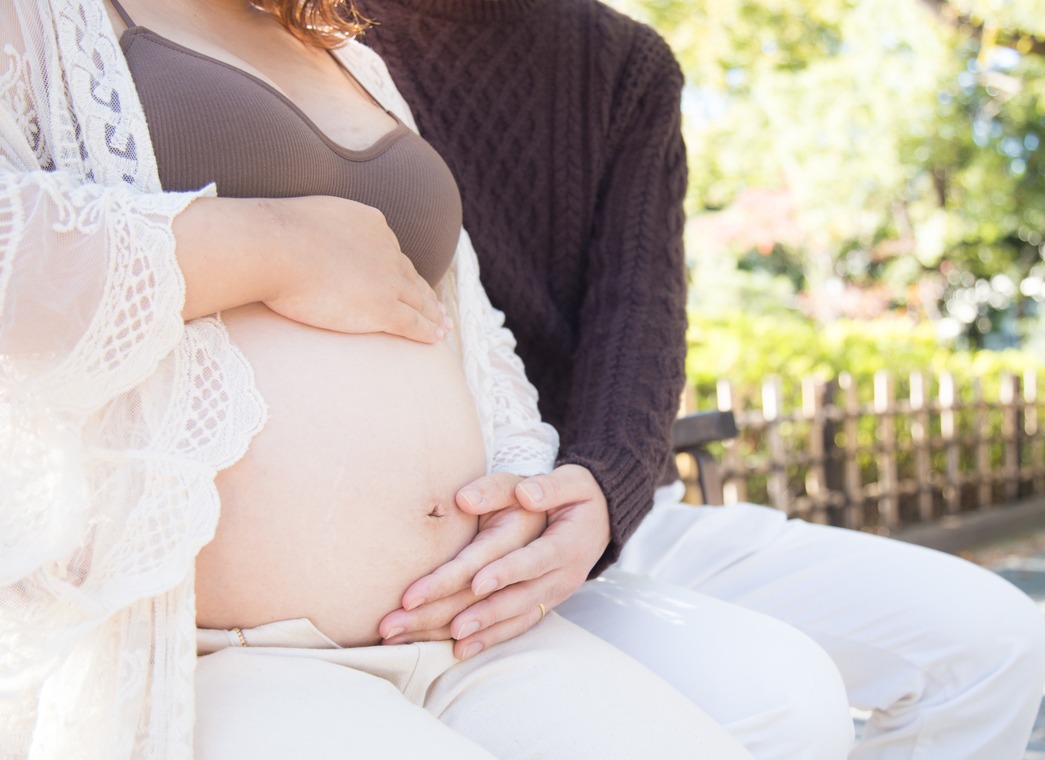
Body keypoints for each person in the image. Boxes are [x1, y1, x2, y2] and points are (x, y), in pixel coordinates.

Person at [0, 0, 754, 757]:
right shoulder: (41, 16)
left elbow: (465, 325)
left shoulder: (348, 54)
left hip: (467, 631)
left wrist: (520, 488)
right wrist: (273, 245)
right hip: (237, 652)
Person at [359, 0, 1045, 757]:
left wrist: (601, 491)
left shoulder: (626, 63)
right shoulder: (305, 25)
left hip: (616, 509)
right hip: (445, 535)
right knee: (779, 704)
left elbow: (640, 305)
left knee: (994, 642)